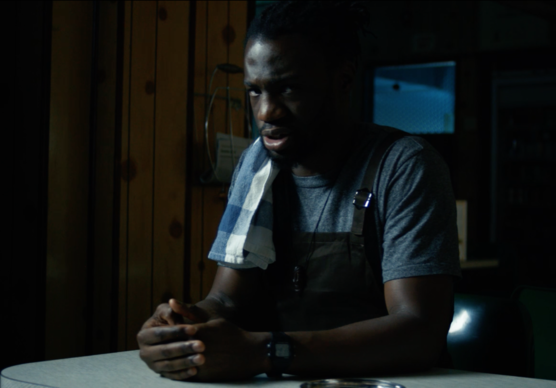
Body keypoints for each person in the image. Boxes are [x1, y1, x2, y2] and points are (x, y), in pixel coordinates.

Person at [137, 1, 461, 381]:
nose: (265, 113)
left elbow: (418, 331)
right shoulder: (256, 164)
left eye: (288, 89)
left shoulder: (404, 166)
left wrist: (267, 352)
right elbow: (226, 300)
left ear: (343, 78)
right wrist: (184, 329)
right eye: (255, 91)